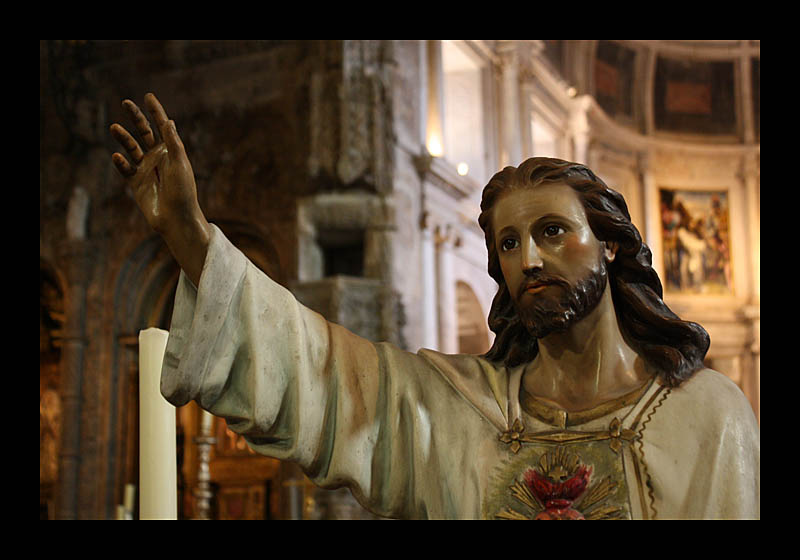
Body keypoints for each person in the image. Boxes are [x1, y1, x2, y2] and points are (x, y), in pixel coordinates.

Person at [111, 93, 759, 520]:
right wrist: (191, 236)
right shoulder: (458, 409)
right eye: (509, 242)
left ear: (612, 247)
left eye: (552, 232)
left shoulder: (705, 417)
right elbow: (321, 374)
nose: (528, 258)